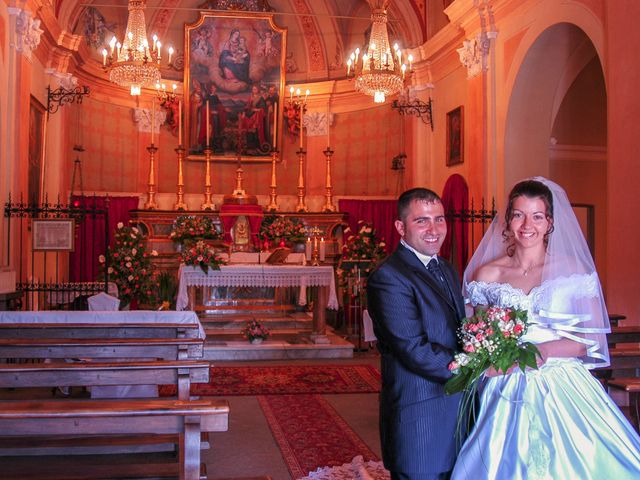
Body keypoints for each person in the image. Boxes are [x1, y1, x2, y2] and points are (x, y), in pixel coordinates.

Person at [451, 177, 640, 479]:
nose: (527, 225)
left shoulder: (573, 271)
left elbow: (585, 342)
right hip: (505, 383)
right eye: (518, 215)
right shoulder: (488, 273)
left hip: (561, 382)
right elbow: (480, 334)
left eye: (537, 216)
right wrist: (488, 357)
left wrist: (537, 353)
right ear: (508, 219)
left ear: (550, 222)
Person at [367, 188, 465, 480]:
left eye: (439, 219)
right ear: (400, 227)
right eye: (422, 221)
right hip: (419, 417)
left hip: (453, 412)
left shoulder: (446, 268)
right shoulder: (389, 277)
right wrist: (476, 366)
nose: (434, 230)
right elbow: (413, 349)